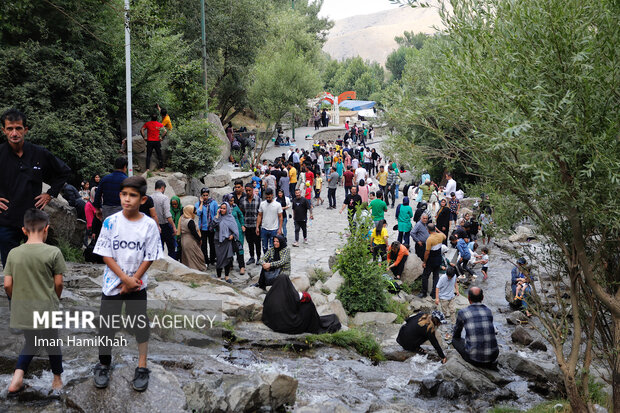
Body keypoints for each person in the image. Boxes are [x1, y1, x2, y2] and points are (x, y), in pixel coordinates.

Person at [92, 175, 162, 391]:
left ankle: (142, 366)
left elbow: (149, 256)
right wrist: (124, 279)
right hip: (112, 283)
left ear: (142, 199)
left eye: (133, 195)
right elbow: (105, 254)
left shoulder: (149, 225)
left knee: (140, 325)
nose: (127, 199)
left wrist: (134, 281)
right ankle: (104, 364)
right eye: (124, 194)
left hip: (137, 285)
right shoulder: (111, 222)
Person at [4, 209, 65, 396]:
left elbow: (7, 285)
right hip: (46, 308)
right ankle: (57, 380)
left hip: (23, 308)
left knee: (31, 342)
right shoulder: (53, 252)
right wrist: (55, 297)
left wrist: (17, 300)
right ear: (46, 229)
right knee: (52, 342)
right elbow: (59, 283)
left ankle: (16, 379)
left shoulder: (13, 253)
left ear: (23, 230)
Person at [0, 109, 71, 267]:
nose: (14, 133)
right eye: (10, 128)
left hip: (33, 220)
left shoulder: (39, 153)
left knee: (35, 266)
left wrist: (50, 194)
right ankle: (15, 292)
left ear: (25, 130)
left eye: (18, 128)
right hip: (6, 219)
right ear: (3, 130)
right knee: (10, 266)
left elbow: (64, 171)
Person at [261, 269, 341, 334]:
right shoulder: (290, 296)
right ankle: (314, 325)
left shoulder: (270, 296)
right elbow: (304, 298)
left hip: (273, 324)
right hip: (288, 326)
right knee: (308, 305)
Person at [452, 287, 499, 367]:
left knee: (455, 340)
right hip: (492, 357)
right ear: (482, 298)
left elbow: (457, 333)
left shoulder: (462, 312)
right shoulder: (488, 311)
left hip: (473, 359)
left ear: (468, 298)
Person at [93, 157, 128, 222]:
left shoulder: (105, 179)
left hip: (107, 210)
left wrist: (97, 209)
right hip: (121, 210)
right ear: (125, 167)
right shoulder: (127, 180)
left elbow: (97, 195)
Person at [212, 202, 239, 283]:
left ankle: (227, 277)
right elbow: (213, 225)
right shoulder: (217, 217)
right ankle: (219, 277)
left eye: (224, 208)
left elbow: (235, 230)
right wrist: (217, 214)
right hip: (219, 241)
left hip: (227, 241)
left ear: (227, 209)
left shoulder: (230, 218)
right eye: (221, 208)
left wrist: (233, 236)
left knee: (228, 259)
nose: (222, 210)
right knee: (219, 259)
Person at [419, 223, 446, 299]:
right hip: (438, 258)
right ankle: (434, 293)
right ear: (435, 228)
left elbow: (427, 252)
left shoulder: (429, 239)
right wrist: (437, 230)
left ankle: (424, 292)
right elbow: (445, 236)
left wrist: (424, 262)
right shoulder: (440, 236)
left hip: (431, 260)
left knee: (425, 276)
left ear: (428, 230)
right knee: (436, 276)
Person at [151, 180, 177, 259]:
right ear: (162, 188)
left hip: (155, 226)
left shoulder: (150, 198)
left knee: (159, 248)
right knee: (171, 247)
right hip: (165, 226)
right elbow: (167, 215)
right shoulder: (164, 198)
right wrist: (173, 226)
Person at [178, 205, 206, 271]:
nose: (195, 213)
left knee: (188, 257)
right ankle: (196, 270)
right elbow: (194, 233)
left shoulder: (182, 218)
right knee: (195, 256)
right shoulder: (190, 221)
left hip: (184, 239)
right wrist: (199, 239)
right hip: (190, 240)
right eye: (194, 211)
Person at [239, 183, 262, 265]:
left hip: (256, 226)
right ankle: (252, 257)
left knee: (257, 242)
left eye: (250, 190)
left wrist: (259, 226)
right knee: (249, 242)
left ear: (253, 190)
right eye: (247, 190)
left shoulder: (258, 199)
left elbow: (260, 213)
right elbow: (241, 213)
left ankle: (259, 257)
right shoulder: (243, 200)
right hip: (247, 225)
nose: (248, 192)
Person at [224, 194, 246, 275]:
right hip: (227, 231)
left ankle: (242, 267)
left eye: (233, 200)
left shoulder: (235, 207)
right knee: (229, 247)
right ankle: (230, 265)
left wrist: (242, 224)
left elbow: (241, 216)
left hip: (237, 231)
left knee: (239, 247)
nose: (232, 202)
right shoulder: (223, 208)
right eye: (230, 201)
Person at [195, 187, 218, 266]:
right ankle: (205, 260)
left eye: (206, 195)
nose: (205, 197)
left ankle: (212, 259)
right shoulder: (198, 203)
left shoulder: (213, 203)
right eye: (204, 195)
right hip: (203, 228)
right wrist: (201, 203)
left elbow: (216, 214)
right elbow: (198, 213)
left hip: (211, 227)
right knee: (203, 245)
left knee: (212, 244)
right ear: (201, 195)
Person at [256, 188, 283, 253]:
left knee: (272, 247)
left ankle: (272, 260)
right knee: (264, 246)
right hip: (264, 228)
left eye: (269, 197)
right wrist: (257, 227)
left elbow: (280, 217)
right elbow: (259, 215)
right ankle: (266, 259)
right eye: (266, 197)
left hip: (274, 229)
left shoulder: (277, 205)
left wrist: (280, 228)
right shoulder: (262, 204)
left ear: (272, 195)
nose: (268, 198)